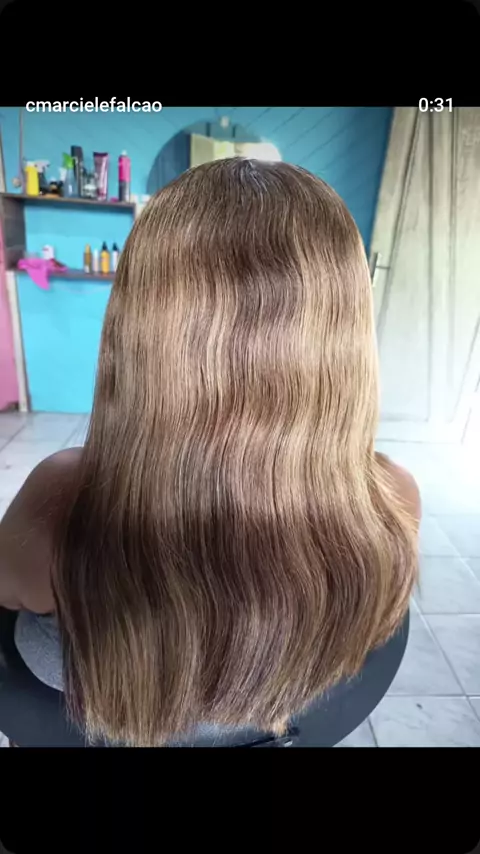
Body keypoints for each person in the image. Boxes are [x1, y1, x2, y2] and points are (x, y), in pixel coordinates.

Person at [0, 158, 420, 747]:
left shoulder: (62, 500)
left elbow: (8, 593)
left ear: (139, 322)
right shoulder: (394, 496)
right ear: (342, 327)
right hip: (286, 712)